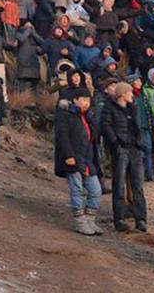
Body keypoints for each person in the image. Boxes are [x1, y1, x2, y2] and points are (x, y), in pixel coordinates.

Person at [54, 89, 103, 236]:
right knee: (77, 190)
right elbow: (62, 137)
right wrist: (68, 155)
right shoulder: (65, 115)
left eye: (88, 100)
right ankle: (80, 222)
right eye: (83, 100)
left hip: (88, 158)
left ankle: (89, 219)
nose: (86, 103)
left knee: (96, 190)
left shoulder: (88, 116)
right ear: (75, 100)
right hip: (73, 157)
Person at [100, 81, 148, 233]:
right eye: (129, 92)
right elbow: (106, 126)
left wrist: (140, 144)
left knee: (138, 186)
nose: (132, 95)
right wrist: (115, 143)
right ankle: (119, 218)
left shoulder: (133, 108)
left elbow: (138, 127)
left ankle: (141, 219)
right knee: (119, 185)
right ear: (122, 94)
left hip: (135, 149)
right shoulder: (109, 107)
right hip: (121, 149)